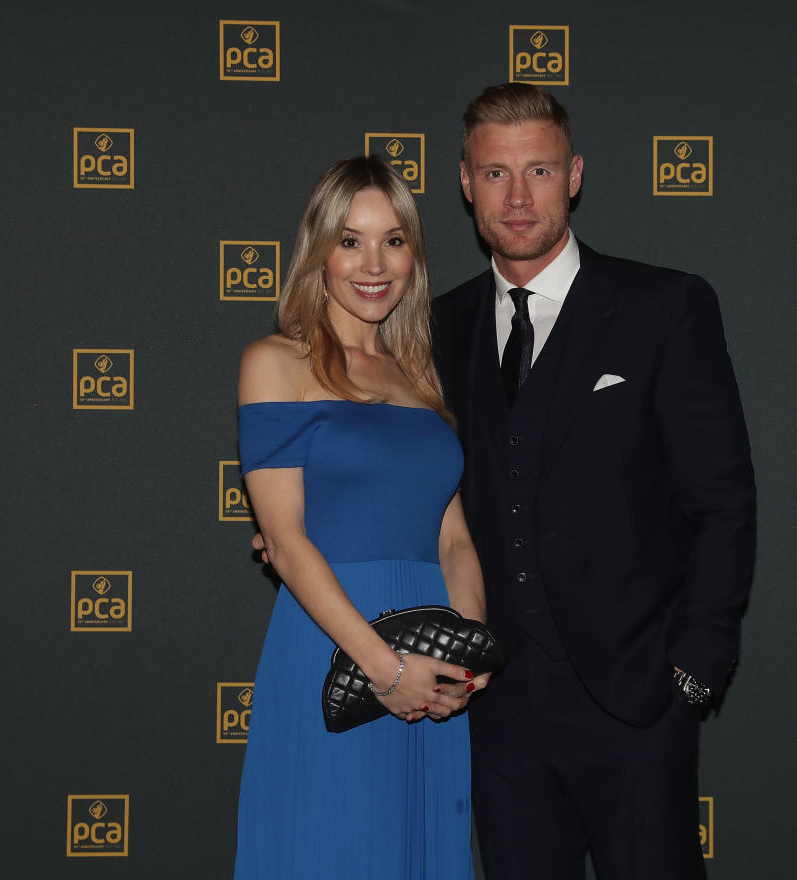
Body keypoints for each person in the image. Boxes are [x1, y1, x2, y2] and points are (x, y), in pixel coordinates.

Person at [430, 83, 756, 879]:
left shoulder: (664, 306)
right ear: (466, 183)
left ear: (574, 175)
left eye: (538, 171)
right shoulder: (439, 327)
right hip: (495, 710)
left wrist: (692, 670)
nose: (517, 196)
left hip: (637, 700)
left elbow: (722, 500)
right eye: (496, 173)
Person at [233, 155, 490, 879]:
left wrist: (463, 662)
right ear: (320, 252)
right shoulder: (276, 362)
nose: (374, 264)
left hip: (432, 657)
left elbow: (456, 538)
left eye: (394, 240)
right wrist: (384, 668)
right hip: (335, 652)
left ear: (415, 253)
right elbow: (283, 542)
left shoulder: (419, 375)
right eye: (350, 241)